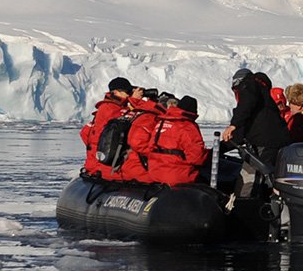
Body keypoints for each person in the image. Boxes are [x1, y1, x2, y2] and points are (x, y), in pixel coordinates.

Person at [221, 69, 291, 198]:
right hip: (272, 143)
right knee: (263, 178)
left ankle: (244, 209)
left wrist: (233, 124)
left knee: (250, 178)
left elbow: (246, 105)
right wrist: (220, 148)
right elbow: (242, 132)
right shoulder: (262, 103)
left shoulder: (250, 85)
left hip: (265, 143)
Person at [121, 96, 207, 185]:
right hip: (178, 175)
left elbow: (150, 146)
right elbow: (196, 157)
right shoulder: (188, 126)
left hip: (154, 172)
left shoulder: (161, 122)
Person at [80, 77, 141, 179]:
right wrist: (135, 102)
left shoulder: (117, 107)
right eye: (127, 92)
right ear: (116, 92)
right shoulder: (108, 107)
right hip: (102, 164)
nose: (128, 94)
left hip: (103, 160)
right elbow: (123, 121)